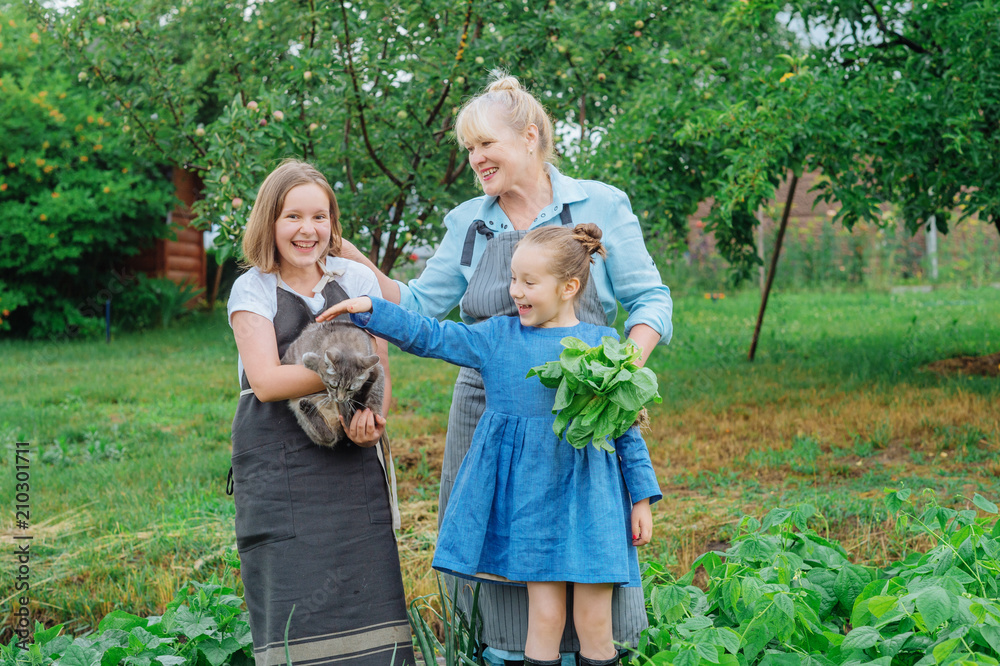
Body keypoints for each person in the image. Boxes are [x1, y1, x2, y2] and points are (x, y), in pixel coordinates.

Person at [340, 73, 672, 660]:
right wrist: (359, 270)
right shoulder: (469, 220)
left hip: (584, 414)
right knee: (502, 545)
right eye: (468, 149)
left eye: (485, 145)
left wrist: (615, 372)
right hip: (489, 410)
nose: (475, 159)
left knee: (593, 542)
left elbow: (651, 301)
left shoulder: (600, 204)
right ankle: (498, 652)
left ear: (529, 136)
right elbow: (419, 309)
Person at [320, 224, 662, 666]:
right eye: (513, 278)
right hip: (532, 504)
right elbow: (433, 336)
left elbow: (626, 429)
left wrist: (642, 500)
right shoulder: (497, 337)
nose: (515, 291)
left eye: (528, 282)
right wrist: (374, 310)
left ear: (569, 287)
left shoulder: (605, 348)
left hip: (593, 503)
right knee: (544, 617)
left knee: (596, 625)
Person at [227, 159, 414, 666]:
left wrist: (371, 418)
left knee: (367, 593)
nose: (307, 229)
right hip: (279, 465)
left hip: (350, 469)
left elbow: (382, 367)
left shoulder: (354, 278)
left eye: (319, 217)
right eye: (292, 217)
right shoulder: (254, 288)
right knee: (293, 594)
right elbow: (266, 381)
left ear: (332, 223)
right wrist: (349, 373)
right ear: (269, 222)